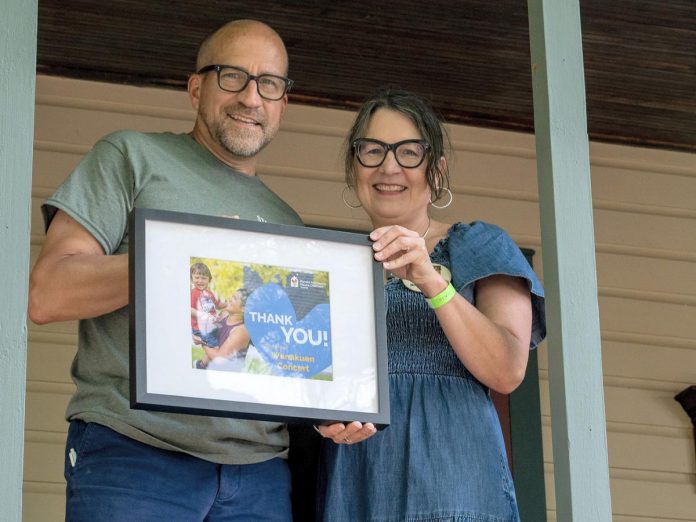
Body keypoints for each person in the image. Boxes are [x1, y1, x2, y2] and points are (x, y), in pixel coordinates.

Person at [28, 19, 377, 521]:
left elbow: (281, 356)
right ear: (196, 88)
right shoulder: (131, 157)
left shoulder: (286, 223)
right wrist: (181, 254)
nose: (251, 98)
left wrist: (330, 407)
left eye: (269, 84)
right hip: (135, 455)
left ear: (282, 104)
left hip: (259, 474)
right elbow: (49, 293)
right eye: (232, 76)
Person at [315, 89, 546, 521]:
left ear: (436, 170)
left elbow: (507, 369)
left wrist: (429, 279)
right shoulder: (332, 264)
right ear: (353, 167)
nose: (389, 167)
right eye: (372, 151)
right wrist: (323, 419)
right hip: (359, 477)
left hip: (453, 473)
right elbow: (304, 370)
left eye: (409, 153)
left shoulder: (476, 244)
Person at [197, 288, 251, 371]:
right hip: (204, 367)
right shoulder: (225, 314)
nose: (230, 299)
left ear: (243, 308)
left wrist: (202, 342)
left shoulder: (242, 330)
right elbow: (212, 331)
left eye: (234, 298)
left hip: (225, 376)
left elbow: (219, 359)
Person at [190, 261, 226, 350]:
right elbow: (189, 309)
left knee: (225, 334)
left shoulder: (209, 293)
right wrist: (201, 315)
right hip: (201, 328)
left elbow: (217, 304)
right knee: (215, 346)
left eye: (203, 278)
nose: (200, 281)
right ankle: (203, 363)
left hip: (213, 324)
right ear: (192, 279)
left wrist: (228, 304)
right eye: (197, 278)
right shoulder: (193, 293)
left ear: (209, 280)